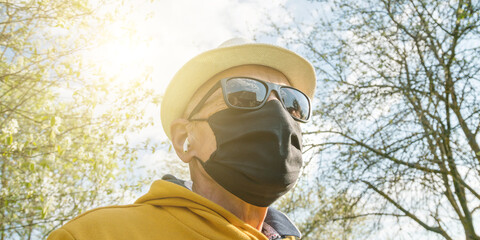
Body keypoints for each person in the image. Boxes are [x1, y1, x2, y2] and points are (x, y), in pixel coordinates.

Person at [47, 38, 316, 240]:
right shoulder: (96, 235)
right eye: (244, 95)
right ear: (184, 139)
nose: (278, 113)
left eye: (291, 103)